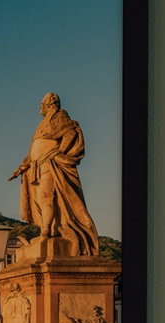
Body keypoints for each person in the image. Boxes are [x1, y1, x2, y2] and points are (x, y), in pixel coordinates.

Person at [9, 92, 99, 256]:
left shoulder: (59, 115)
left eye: (41, 104)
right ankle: (49, 229)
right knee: (41, 199)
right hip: (37, 166)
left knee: (46, 197)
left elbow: (71, 132)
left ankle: (46, 232)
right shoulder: (42, 124)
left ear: (49, 104)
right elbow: (32, 151)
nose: (39, 108)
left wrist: (58, 152)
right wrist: (21, 168)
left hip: (51, 163)